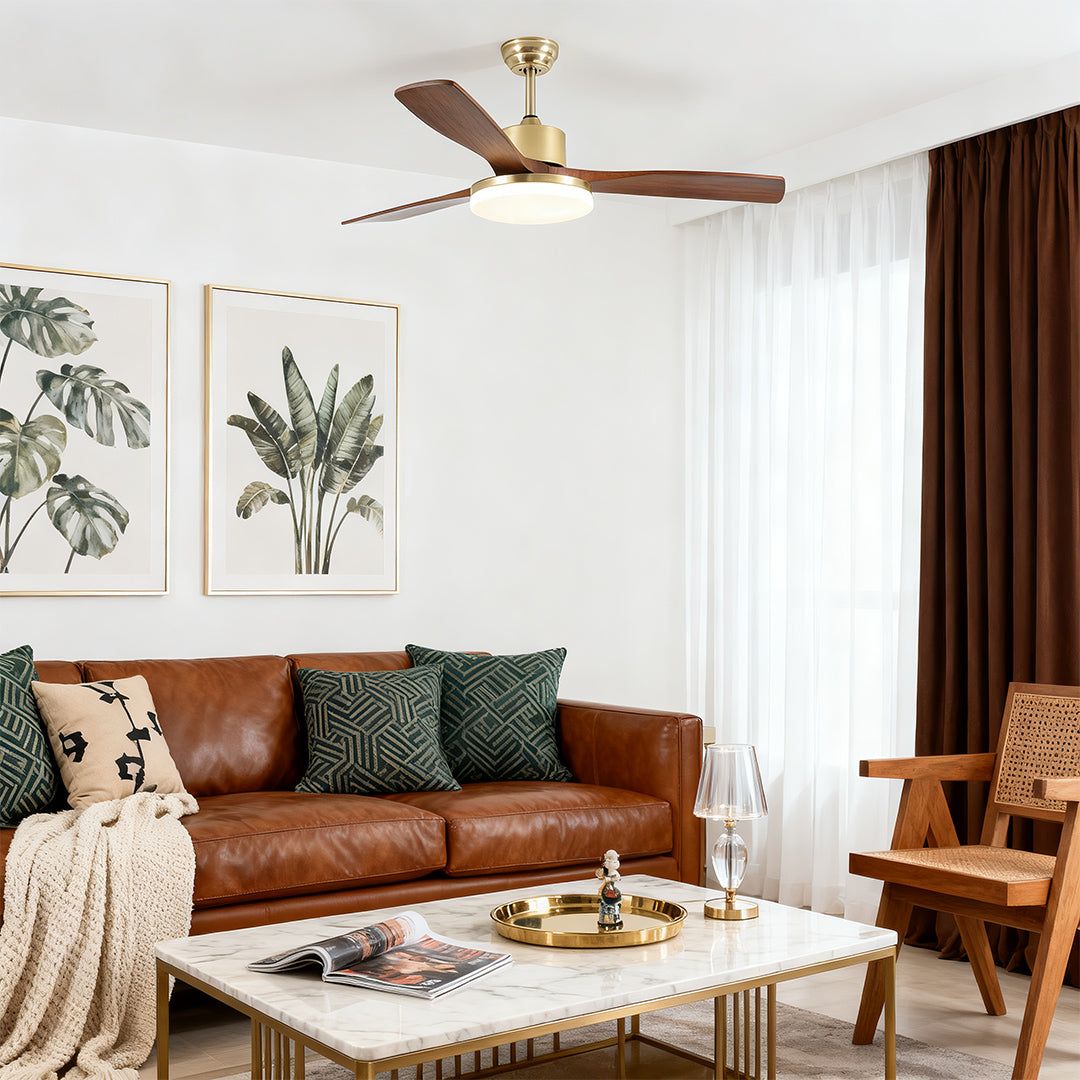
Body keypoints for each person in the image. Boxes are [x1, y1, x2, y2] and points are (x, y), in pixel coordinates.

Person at [596, 849, 623, 930]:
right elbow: (601, 877)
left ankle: (613, 917)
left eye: (614, 861)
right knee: (606, 903)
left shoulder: (614, 874)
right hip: (607, 892)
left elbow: (614, 879)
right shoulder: (607, 872)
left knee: (612, 903)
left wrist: (606, 880)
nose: (611, 863)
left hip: (609, 891)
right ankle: (605, 918)